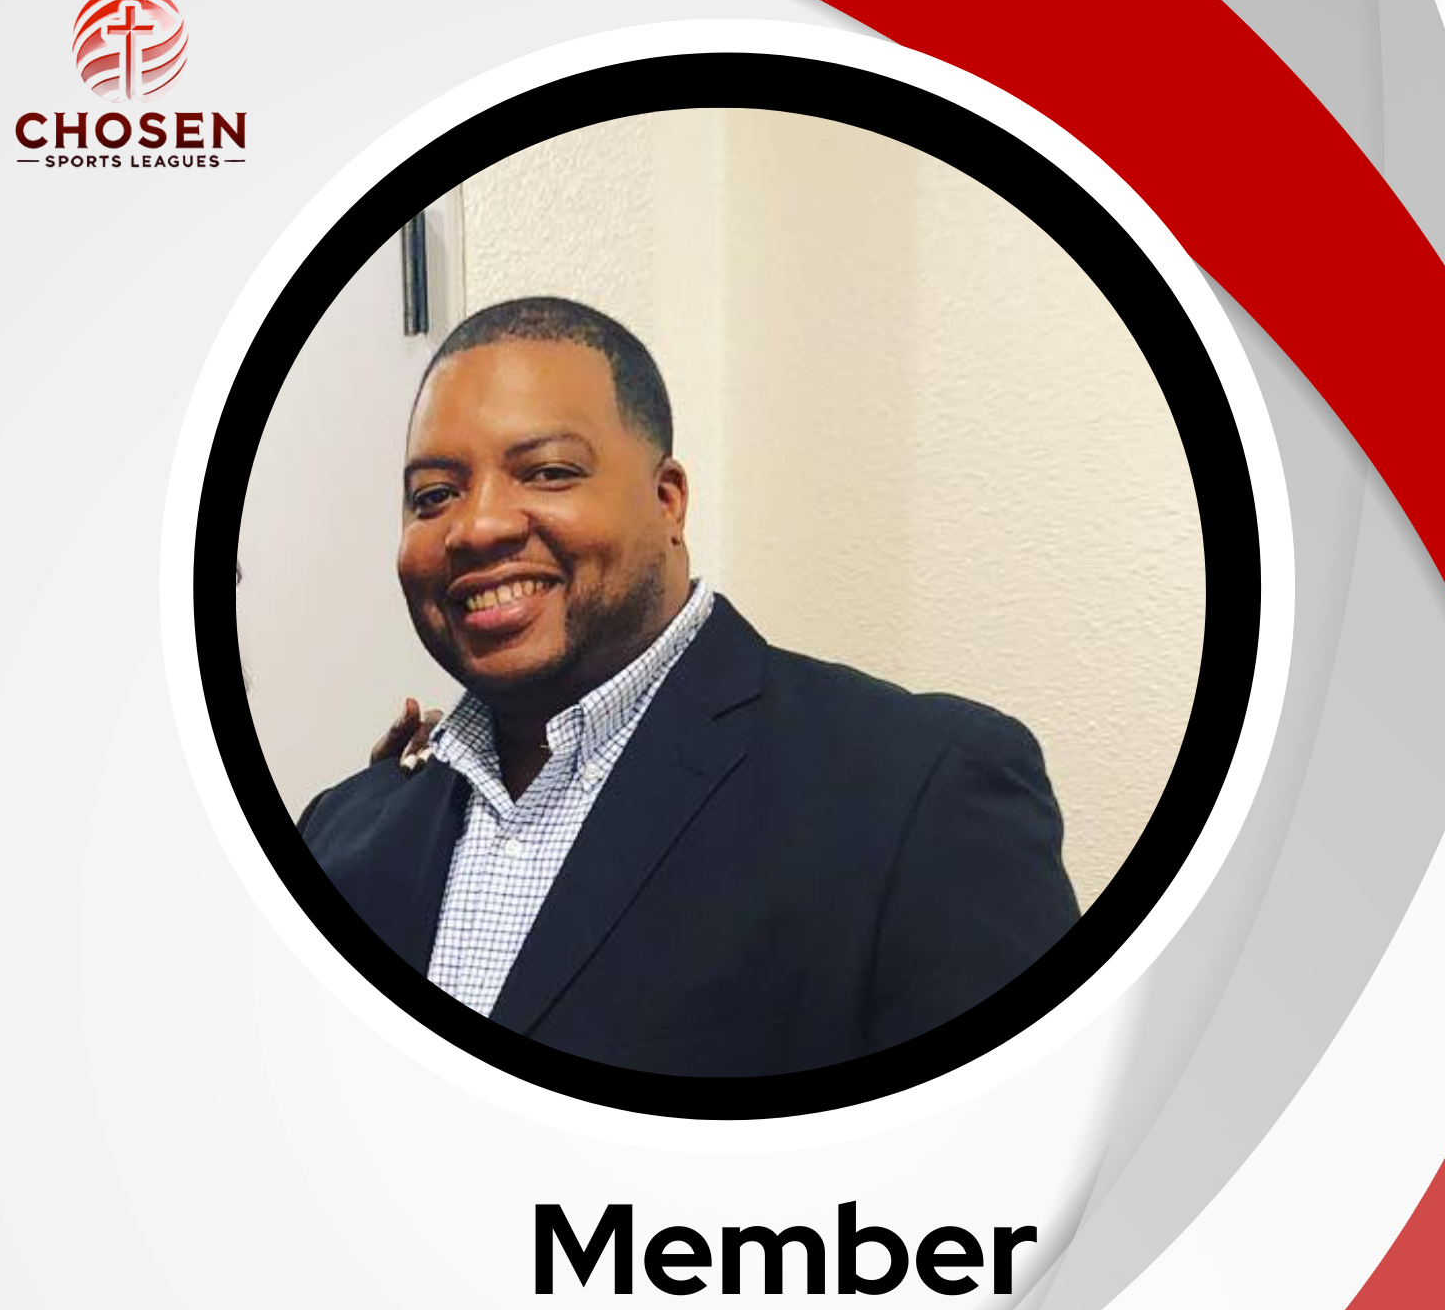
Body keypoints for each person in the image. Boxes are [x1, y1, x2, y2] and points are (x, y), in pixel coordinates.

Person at [300, 297, 1078, 1077]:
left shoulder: (917, 791)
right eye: (434, 494)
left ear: (666, 499)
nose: (476, 527)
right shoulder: (342, 832)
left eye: (547, 472)